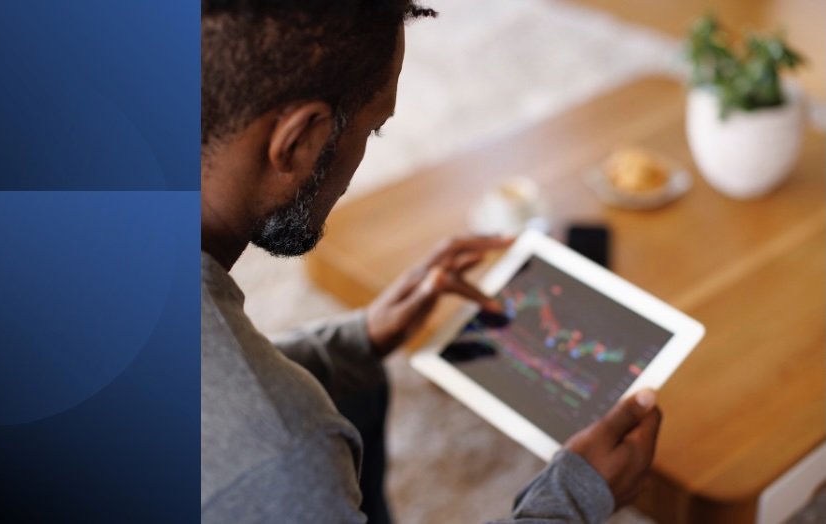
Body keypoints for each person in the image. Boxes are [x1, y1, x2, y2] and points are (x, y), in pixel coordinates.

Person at [201, 1, 663, 522]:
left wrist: (356, 342)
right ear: (300, 141)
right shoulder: (287, 458)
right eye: (372, 128)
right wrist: (574, 499)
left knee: (355, 392)